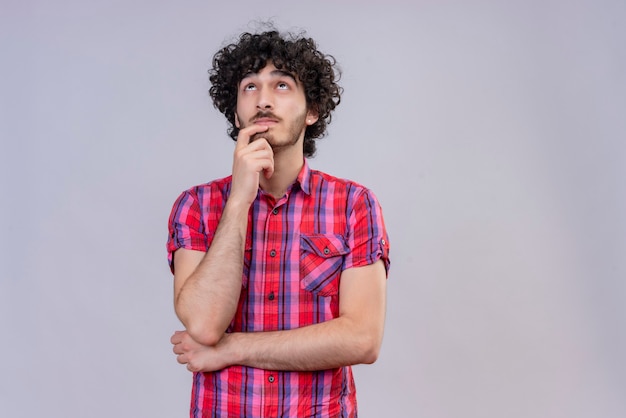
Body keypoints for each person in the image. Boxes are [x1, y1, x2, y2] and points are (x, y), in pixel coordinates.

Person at [167, 27, 390, 418]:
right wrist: (238, 201)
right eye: (250, 87)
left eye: (282, 85)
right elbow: (203, 325)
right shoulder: (197, 206)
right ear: (235, 110)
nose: (264, 100)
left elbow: (362, 339)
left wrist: (232, 348)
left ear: (313, 110)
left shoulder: (354, 204)